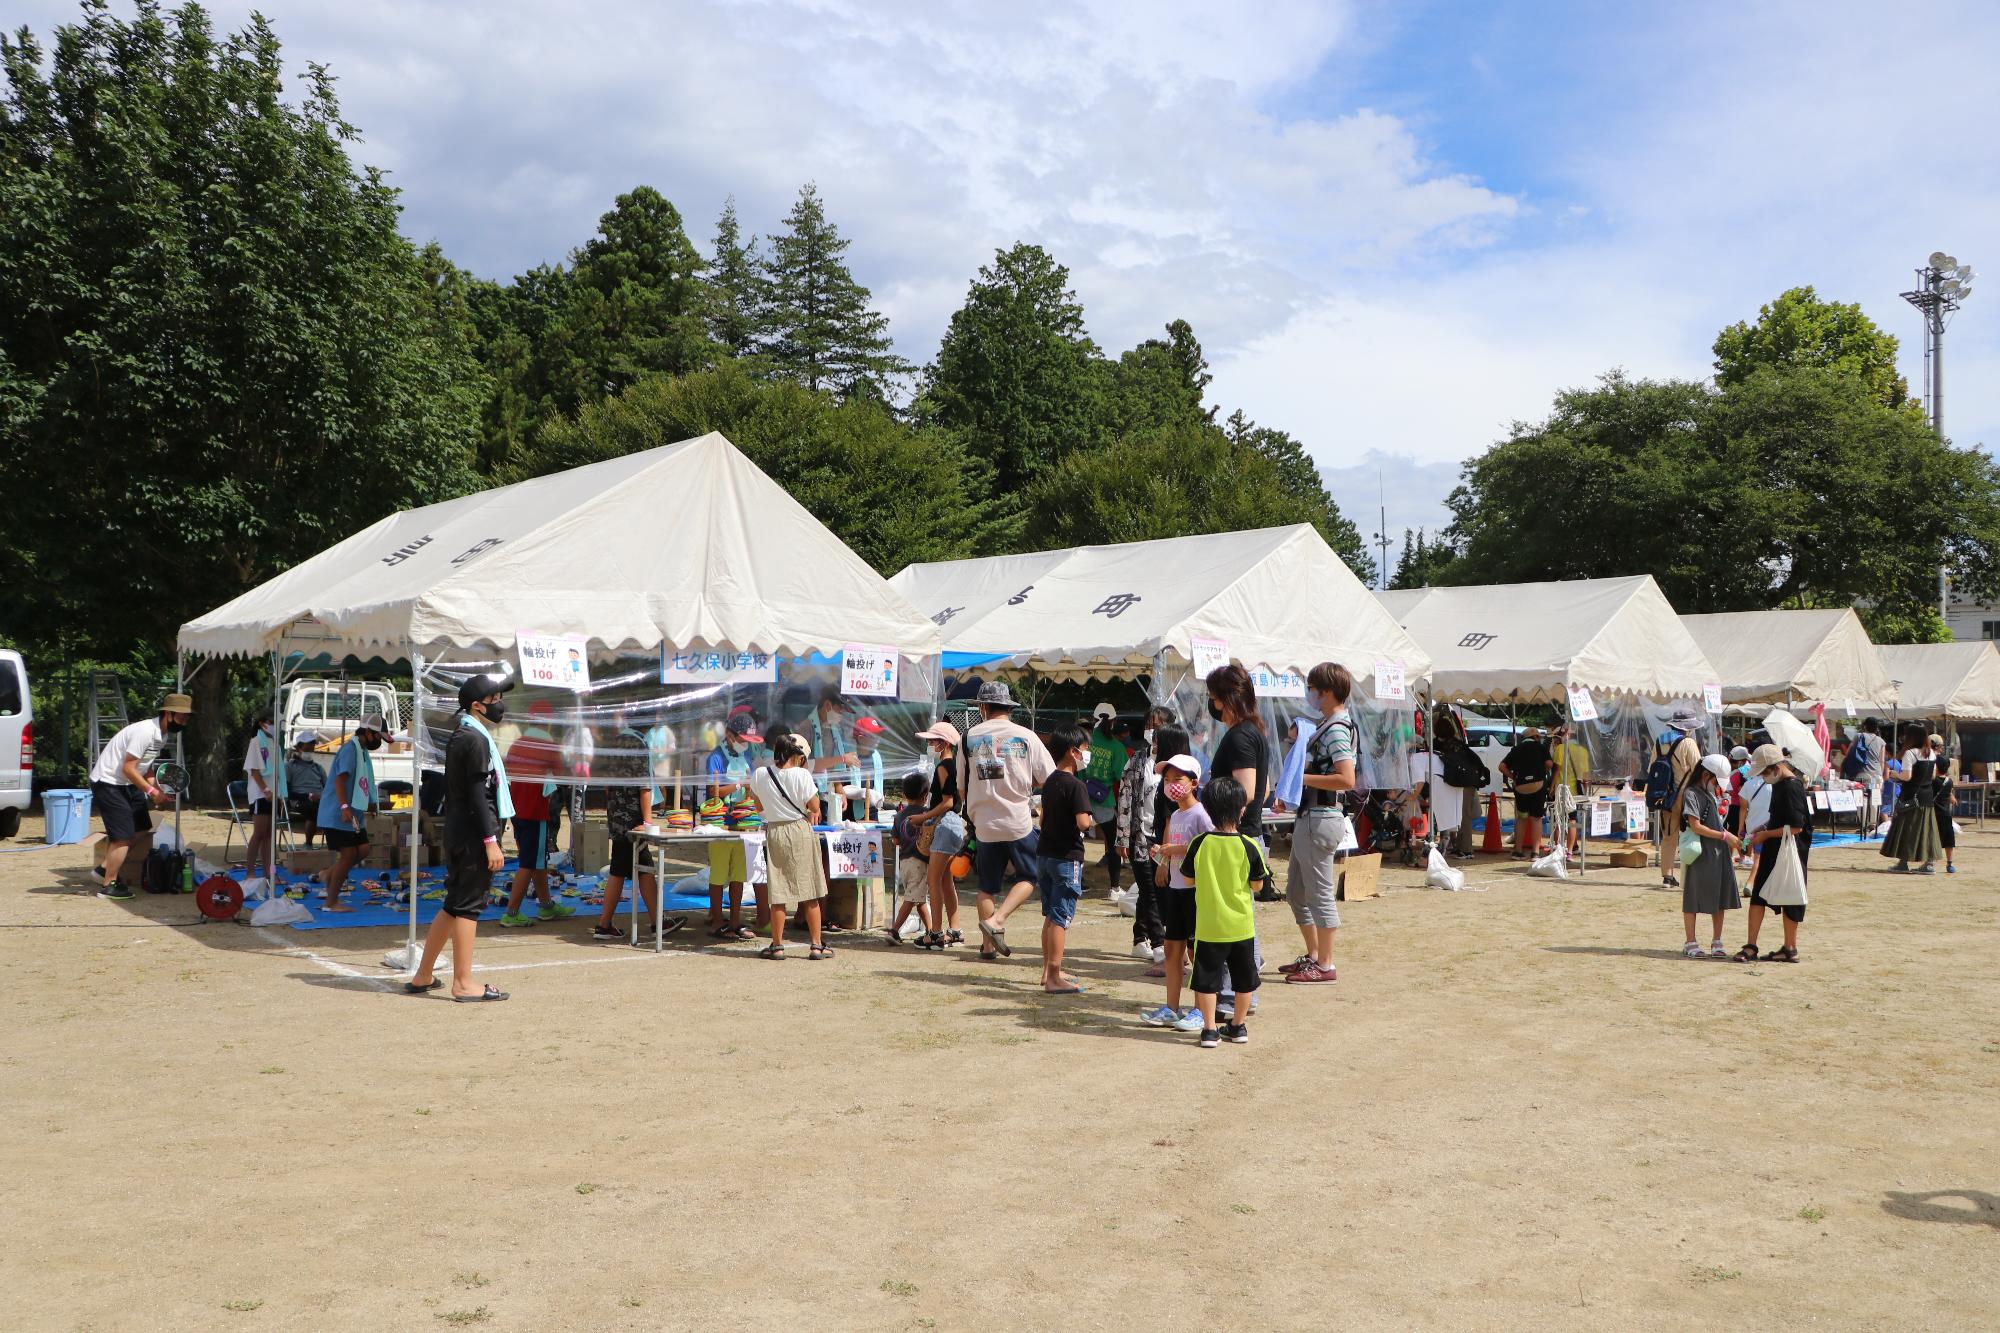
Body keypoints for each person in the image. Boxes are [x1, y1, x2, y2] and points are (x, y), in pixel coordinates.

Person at [408, 674, 513, 1001]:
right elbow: (477, 795)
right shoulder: (474, 739)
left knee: (453, 905)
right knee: (468, 906)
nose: (499, 705)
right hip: (471, 836)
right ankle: (463, 983)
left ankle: (423, 975)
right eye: (494, 700)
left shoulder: (464, 734)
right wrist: (490, 840)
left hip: (459, 831)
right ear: (476, 706)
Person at [965, 681, 1055, 962]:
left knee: (987, 886)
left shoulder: (968, 737)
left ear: (983, 707)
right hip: (1018, 820)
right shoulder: (1026, 736)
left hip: (983, 822)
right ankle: (998, 920)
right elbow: (1050, 777)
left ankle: (988, 946)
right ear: (1009, 708)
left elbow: (960, 785)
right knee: (1030, 876)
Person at [1284, 662, 1357, 985]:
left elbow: (1346, 778)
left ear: (1326, 692)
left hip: (1321, 817)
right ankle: (1314, 955)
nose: (1309, 694)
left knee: (1320, 894)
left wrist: (1300, 778)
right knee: (1296, 892)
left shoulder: (1337, 729)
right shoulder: (1327, 724)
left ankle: (1325, 963)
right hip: (1310, 816)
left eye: (1313, 688)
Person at [1180, 776, 1266, 1048]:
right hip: (1241, 926)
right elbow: (1257, 884)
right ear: (1241, 810)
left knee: (1206, 979)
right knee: (1244, 979)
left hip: (1209, 926)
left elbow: (1188, 880)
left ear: (1208, 809)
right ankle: (1238, 1026)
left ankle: (1208, 1030)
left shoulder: (1199, 843)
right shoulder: (1249, 846)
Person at [87, 692, 191, 899]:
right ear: (168, 714)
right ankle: (109, 885)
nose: (185, 721)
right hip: (109, 783)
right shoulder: (145, 732)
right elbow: (128, 768)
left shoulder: (162, 735)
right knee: (123, 837)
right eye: (182, 716)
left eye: (187, 717)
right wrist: (152, 792)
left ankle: (103, 870)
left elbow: (146, 767)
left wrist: (157, 793)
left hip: (127, 783)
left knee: (142, 828)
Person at [592, 716, 686, 941]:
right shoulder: (638, 745)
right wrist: (648, 822)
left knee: (638, 869)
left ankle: (655, 921)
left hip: (617, 816)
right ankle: (609, 925)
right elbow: (645, 787)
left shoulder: (614, 743)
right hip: (633, 822)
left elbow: (607, 785)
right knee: (624, 870)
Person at [1140, 753, 1208, 1032]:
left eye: (1177, 779)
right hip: (1177, 889)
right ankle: (1171, 1008)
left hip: (1195, 892)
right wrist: (1164, 858)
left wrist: (1175, 851)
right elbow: (1178, 846)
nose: (1171, 785)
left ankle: (1202, 1010)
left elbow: (1209, 846)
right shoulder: (1178, 814)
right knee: (1172, 948)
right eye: (1167, 780)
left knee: (1197, 951)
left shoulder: (1201, 814)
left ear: (1194, 782)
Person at [751, 732, 831, 959]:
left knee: (778, 891)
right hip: (799, 829)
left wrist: (775, 813)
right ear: (795, 755)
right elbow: (814, 806)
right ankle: (816, 945)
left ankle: (777, 945)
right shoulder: (802, 775)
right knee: (810, 890)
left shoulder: (759, 774)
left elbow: (758, 807)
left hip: (775, 830)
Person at [499, 703, 574, 928]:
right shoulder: (550, 746)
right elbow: (562, 776)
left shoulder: (517, 744)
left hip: (517, 809)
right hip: (536, 811)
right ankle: (511, 913)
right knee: (528, 862)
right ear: (549, 722)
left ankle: (547, 906)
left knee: (536, 860)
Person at [1034, 726, 1094, 994]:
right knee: (1060, 917)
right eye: (1084, 748)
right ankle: (1054, 978)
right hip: (1066, 858)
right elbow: (1083, 822)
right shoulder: (1076, 785)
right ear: (1073, 752)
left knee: (1050, 916)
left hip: (1045, 854)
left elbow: (1044, 818)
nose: (1086, 754)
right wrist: (1089, 819)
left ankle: (1048, 970)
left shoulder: (1050, 782)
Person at [1738, 745, 1810, 964]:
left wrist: (1766, 834)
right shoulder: (1780, 785)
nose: (1762, 776)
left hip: (1790, 851)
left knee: (1791, 896)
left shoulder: (1791, 787)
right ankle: (1752, 945)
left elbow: (1797, 826)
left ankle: (1790, 947)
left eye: (1763, 772)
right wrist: (1761, 829)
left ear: (1776, 767)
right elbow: (1778, 817)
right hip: (1774, 846)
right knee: (1759, 894)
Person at [315, 712, 389, 912]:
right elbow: (340, 780)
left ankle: (329, 874)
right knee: (348, 855)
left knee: (363, 849)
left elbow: (362, 784)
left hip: (354, 814)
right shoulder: (350, 750)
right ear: (367, 732)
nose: (379, 743)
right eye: (379, 738)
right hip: (339, 813)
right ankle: (330, 902)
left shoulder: (362, 751)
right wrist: (344, 807)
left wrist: (370, 804)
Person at [704, 711, 762, 940]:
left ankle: (735, 921)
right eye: (741, 740)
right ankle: (717, 920)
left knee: (739, 874)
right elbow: (712, 790)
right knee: (718, 874)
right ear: (729, 736)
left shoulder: (746, 757)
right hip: (720, 824)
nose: (744, 745)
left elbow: (751, 786)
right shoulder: (715, 757)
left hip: (744, 824)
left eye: (748, 742)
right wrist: (739, 783)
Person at [907, 721, 964, 951]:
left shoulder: (944, 766)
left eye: (933, 740)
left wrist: (923, 818)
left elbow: (948, 802)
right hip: (954, 824)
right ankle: (955, 930)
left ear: (944, 743)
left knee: (934, 879)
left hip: (946, 824)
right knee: (944, 879)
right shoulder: (953, 765)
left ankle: (936, 933)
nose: (930, 744)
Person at [1678, 754, 1741, 958]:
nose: (1717, 784)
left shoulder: (1712, 792)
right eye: (1715, 780)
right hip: (1702, 851)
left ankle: (1717, 940)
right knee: (1693, 896)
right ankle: (1690, 941)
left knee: (1720, 896)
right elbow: (1695, 826)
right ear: (1706, 774)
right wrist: (1725, 835)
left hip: (1719, 851)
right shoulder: (1691, 793)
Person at [1119, 707, 1168, 962]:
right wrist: (1122, 836)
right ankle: (1159, 943)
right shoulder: (1137, 760)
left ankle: (1140, 938)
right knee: (1150, 890)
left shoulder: (1176, 762)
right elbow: (1125, 797)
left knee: (1156, 889)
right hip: (1139, 835)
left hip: (1165, 836)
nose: (1153, 730)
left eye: (1158, 726)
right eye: (1150, 724)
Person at [883, 772, 936, 945]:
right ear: (926, 796)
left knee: (919, 899)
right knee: (911, 899)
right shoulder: (927, 814)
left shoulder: (899, 815)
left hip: (904, 862)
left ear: (904, 795)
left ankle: (931, 931)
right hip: (920, 862)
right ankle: (895, 930)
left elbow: (896, 840)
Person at [1881, 730, 1942, 874]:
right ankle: (1929, 863)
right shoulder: (1931, 753)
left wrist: (1894, 774)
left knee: (1906, 828)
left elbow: (1907, 776)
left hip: (1910, 796)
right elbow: (1933, 776)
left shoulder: (1911, 753)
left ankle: (1903, 862)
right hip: (1927, 797)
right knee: (1927, 830)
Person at [1654, 709, 1703, 888]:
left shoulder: (1660, 741)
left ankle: (1667, 877)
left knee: (1669, 836)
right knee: (1693, 833)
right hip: (1686, 794)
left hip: (1664, 796)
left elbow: (1653, 767)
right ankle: (1691, 874)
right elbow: (1698, 768)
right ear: (1688, 727)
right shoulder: (1688, 743)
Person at [1082, 703, 1128, 892]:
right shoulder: (1116, 747)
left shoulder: (1085, 741)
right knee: (1113, 844)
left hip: (1081, 797)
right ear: (1113, 722)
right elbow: (1122, 774)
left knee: (1076, 842)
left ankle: (1077, 883)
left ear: (1094, 719)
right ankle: (1115, 887)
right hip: (1104, 800)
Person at [240, 710, 283, 876]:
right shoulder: (256, 741)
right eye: (271, 722)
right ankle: (250, 871)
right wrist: (265, 789)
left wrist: (278, 793)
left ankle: (268, 872)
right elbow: (254, 770)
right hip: (260, 794)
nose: (273, 726)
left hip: (274, 793)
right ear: (262, 723)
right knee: (259, 833)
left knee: (269, 835)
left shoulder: (275, 744)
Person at [1500, 726, 1553, 860]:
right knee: (1536, 818)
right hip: (1537, 784)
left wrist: (1513, 776)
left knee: (1522, 817)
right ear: (1535, 737)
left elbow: (1501, 766)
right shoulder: (1540, 748)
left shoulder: (1516, 749)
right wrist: (1543, 770)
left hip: (1521, 787)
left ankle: (1518, 851)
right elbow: (1549, 764)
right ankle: (1535, 852)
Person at [1551, 724, 1591, 857]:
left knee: (1559, 820)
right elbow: (1586, 777)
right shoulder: (1584, 751)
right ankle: (1569, 851)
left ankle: (1557, 850)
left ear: (1566, 734)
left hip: (1562, 790)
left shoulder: (1561, 748)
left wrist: (1550, 787)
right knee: (1572, 820)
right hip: (1576, 792)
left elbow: (1556, 770)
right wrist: (1585, 792)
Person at [285, 732, 326, 847]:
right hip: (300, 800)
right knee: (314, 810)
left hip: (320, 799)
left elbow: (328, 789)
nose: (310, 750)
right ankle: (308, 843)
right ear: (298, 748)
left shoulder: (318, 768)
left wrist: (322, 798)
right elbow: (287, 792)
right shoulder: (289, 766)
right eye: (307, 748)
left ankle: (336, 844)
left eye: (312, 747)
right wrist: (309, 796)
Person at [1934, 739, 1959, 874]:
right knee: (1949, 839)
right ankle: (1950, 864)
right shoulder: (1949, 781)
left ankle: (1930, 862)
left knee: (1933, 838)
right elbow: (1949, 792)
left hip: (1934, 813)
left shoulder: (1933, 781)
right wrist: (1952, 797)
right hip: (1946, 814)